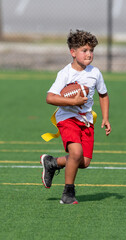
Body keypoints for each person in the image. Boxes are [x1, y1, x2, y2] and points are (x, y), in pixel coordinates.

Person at [40, 29, 111, 204]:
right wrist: (72, 102)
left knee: (84, 162)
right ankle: (68, 193)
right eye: (84, 50)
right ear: (73, 52)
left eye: (91, 50)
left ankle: (53, 163)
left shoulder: (95, 73)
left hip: (85, 121)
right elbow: (50, 97)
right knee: (76, 153)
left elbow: (103, 94)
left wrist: (105, 117)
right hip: (67, 119)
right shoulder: (65, 74)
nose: (89, 54)